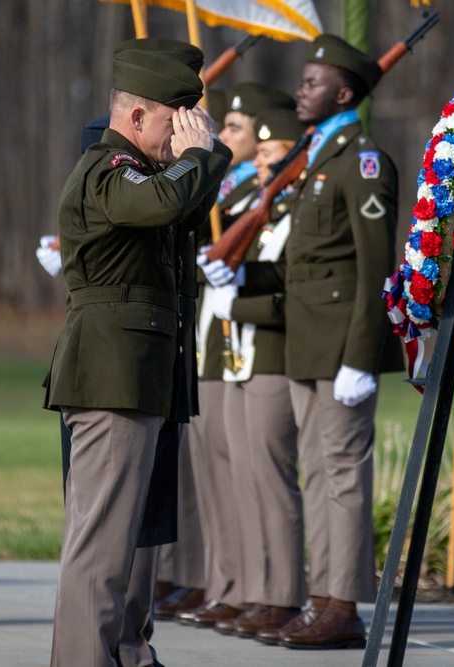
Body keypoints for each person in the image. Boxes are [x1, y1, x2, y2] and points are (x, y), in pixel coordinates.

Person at [42, 39, 231, 667]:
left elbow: (187, 204)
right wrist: (198, 154)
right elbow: (165, 202)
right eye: (171, 120)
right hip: (110, 381)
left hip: (145, 379)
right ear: (138, 117)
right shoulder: (106, 170)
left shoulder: (150, 176)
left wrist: (208, 152)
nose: (177, 136)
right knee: (100, 548)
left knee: (138, 540)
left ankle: (127, 654)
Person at [264, 34, 404, 649]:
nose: (301, 89)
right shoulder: (317, 158)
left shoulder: (362, 162)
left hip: (343, 346)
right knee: (318, 473)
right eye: (303, 79)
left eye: (314, 82)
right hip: (306, 343)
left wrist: (362, 357)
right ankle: (322, 597)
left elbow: (377, 268)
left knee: (342, 472)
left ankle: (343, 606)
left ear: (344, 93)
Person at [174, 82, 295, 630]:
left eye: (235, 131)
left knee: (256, 479)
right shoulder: (234, 199)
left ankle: (265, 590)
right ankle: (232, 585)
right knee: (222, 480)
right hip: (217, 351)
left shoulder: (265, 200)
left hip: (253, 353)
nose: (226, 137)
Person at [203, 107, 310, 639]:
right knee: (245, 482)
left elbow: (291, 292)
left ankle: (282, 594)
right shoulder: (265, 208)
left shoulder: (292, 210)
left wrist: (235, 302)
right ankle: (254, 591)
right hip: (242, 354)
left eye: (274, 153)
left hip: (272, 354)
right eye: (262, 154)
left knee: (269, 482)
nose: (266, 163)